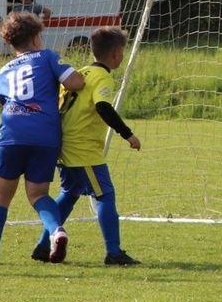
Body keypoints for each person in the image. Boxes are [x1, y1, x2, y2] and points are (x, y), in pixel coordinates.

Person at [0, 12, 85, 265]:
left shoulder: (3, 71)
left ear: (10, 42)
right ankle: (57, 230)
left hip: (12, 133)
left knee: (0, 194)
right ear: (36, 38)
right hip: (45, 135)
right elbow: (75, 82)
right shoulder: (47, 57)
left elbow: (5, 101)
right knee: (38, 194)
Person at [32, 26, 143, 265]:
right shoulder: (102, 77)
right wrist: (128, 134)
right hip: (83, 150)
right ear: (116, 54)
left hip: (64, 145)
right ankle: (114, 253)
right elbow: (103, 106)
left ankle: (43, 246)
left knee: (69, 194)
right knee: (104, 195)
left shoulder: (79, 73)